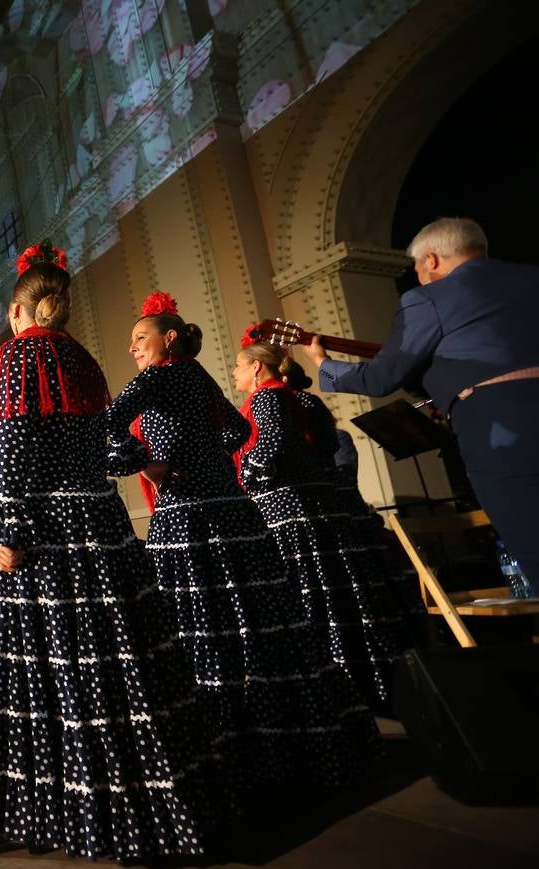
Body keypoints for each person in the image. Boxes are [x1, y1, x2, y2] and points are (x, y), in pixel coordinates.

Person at [0, 245, 219, 859]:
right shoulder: (83, 359)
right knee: (114, 662)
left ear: (19, 310)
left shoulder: (20, 352)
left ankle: (14, 814)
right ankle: (141, 812)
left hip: (47, 531)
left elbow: (17, 440)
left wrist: (4, 526)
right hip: (101, 524)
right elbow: (110, 449)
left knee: (23, 672)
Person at [104, 290, 378, 788]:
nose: (132, 348)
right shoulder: (203, 379)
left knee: (200, 619)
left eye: (139, 338)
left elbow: (106, 427)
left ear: (169, 339)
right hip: (233, 512)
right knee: (256, 616)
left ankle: (226, 740)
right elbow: (234, 432)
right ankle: (294, 733)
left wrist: (145, 459)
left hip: (186, 512)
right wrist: (197, 452)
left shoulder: (156, 377)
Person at [309, 217, 539, 579]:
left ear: (431, 259)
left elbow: (382, 376)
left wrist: (324, 364)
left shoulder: (428, 297)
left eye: (416, 266)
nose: (417, 274)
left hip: (503, 433)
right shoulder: (530, 277)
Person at [233, 339, 405, 709]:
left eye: (238, 365)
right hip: (315, 509)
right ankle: (372, 686)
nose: (234, 373)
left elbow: (270, 450)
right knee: (334, 593)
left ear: (257, 368)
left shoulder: (268, 398)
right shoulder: (297, 400)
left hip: (289, 514)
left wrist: (246, 478)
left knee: (311, 595)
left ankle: (336, 692)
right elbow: (327, 446)